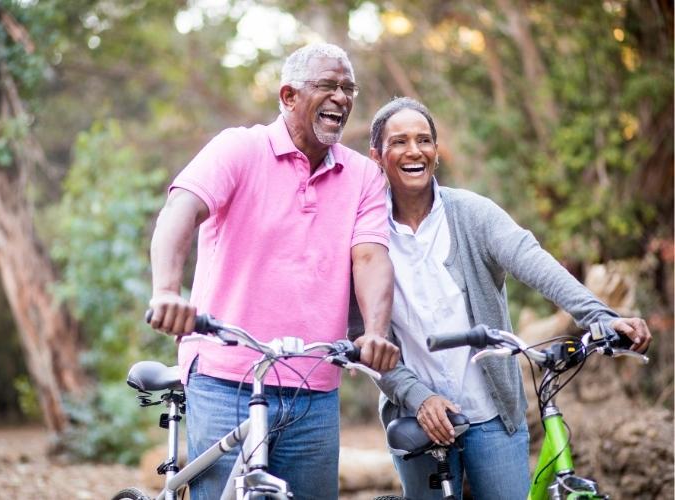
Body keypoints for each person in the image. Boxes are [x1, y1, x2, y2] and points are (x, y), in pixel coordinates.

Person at [147, 43, 400, 500]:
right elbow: (179, 211)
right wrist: (167, 291)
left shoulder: (363, 175)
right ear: (288, 96)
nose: (341, 98)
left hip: (315, 382)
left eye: (349, 88)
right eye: (327, 86)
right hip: (227, 377)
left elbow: (370, 257)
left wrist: (376, 333)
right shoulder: (239, 149)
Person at [366, 97, 652, 500]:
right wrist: (418, 397)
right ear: (376, 155)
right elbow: (365, 337)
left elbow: (531, 260)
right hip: (416, 413)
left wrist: (598, 316)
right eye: (399, 142)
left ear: (435, 151)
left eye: (424, 140)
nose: (414, 150)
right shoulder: (366, 233)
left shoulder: (472, 214)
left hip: (491, 414)